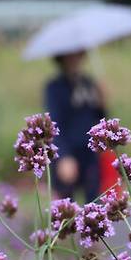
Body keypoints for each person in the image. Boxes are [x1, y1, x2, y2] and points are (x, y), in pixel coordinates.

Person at [45, 51, 105, 202]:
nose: (74, 58)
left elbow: (99, 118)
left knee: (94, 201)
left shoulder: (89, 83)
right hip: (67, 149)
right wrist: (64, 157)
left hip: (89, 152)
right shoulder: (54, 87)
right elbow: (54, 123)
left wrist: (102, 102)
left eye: (78, 54)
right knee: (66, 206)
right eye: (70, 55)